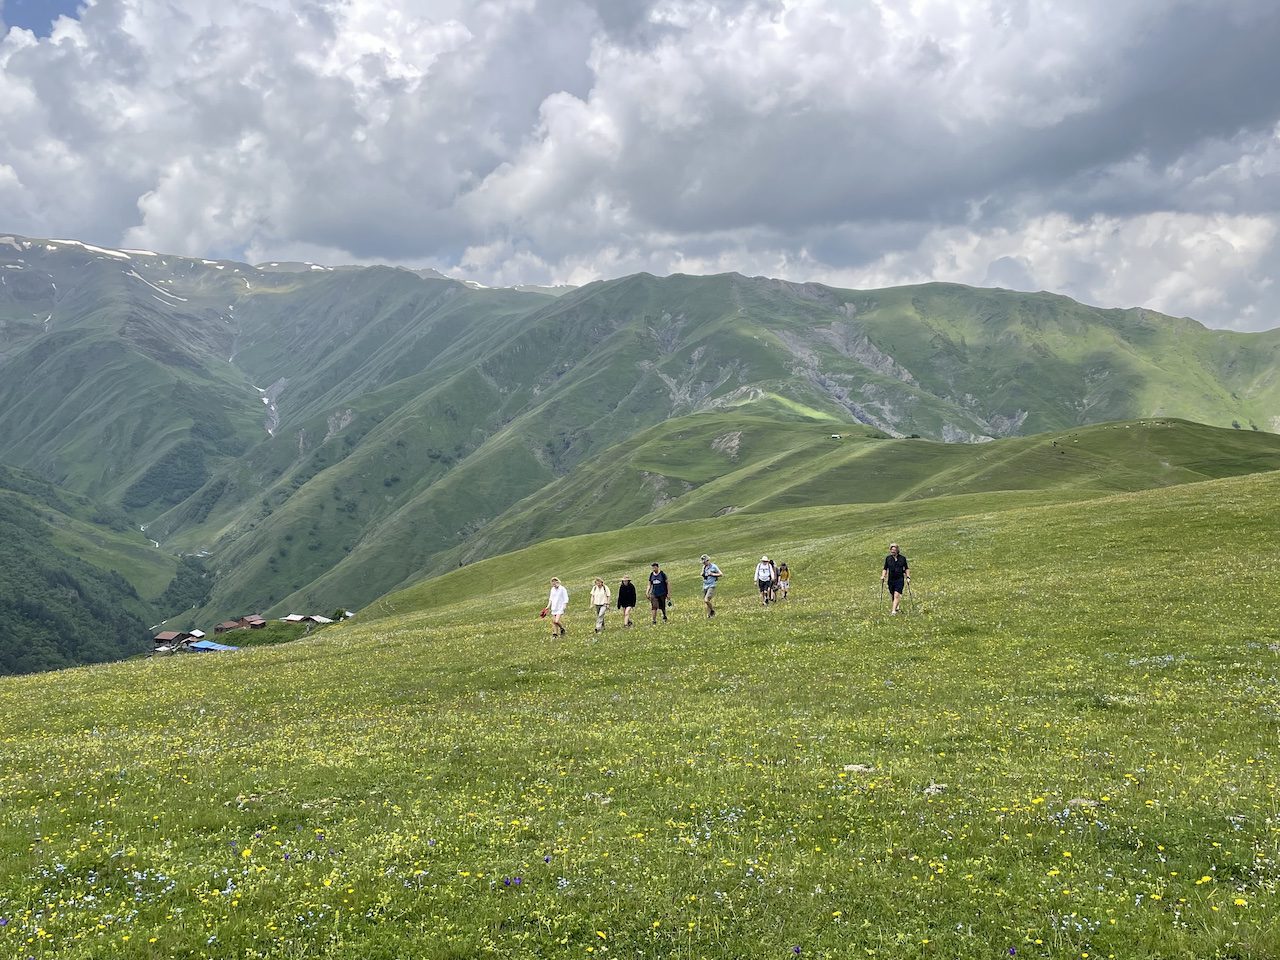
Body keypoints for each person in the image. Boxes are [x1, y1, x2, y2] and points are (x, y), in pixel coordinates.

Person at [881, 543, 909, 615]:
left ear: (897, 550)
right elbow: (885, 568)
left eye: (894, 550)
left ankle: (893, 611)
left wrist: (908, 577)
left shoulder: (902, 558)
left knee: (897, 594)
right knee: (893, 594)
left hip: (899, 579)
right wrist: (883, 576)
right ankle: (896, 607)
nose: (892, 551)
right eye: (891, 550)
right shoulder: (888, 558)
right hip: (891, 580)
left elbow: (906, 568)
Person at [700, 553, 722, 618]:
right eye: (703, 562)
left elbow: (721, 574)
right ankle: (709, 615)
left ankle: (712, 611)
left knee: (706, 600)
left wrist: (712, 574)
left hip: (711, 585)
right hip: (705, 585)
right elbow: (703, 574)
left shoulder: (714, 566)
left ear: (708, 560)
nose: (704, 563)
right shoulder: (704, 567)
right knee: (707, 601)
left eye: (705, 562)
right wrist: (702, 574)